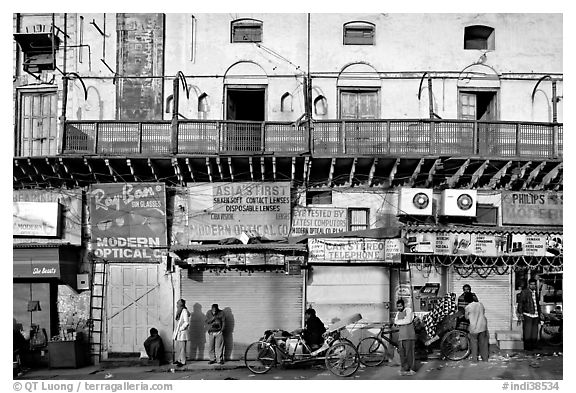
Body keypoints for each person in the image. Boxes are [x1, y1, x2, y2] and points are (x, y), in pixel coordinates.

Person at [517, 278, 542, 351]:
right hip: (528, 314)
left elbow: (537, 304)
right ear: (529, 285)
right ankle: (527, 346)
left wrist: (540, 313)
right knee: (528, 331)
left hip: (536, 314)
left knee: (535, 331)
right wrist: (520, 313)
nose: (533, 286)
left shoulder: (535, 292)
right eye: (531, 284)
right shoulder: (524, 292)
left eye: (534, 284)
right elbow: (520, 303)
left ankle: (534, 345)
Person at [394, 299, 417, 376]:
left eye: (400, 306)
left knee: (409, 353)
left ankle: (412, 369)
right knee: (402, 354)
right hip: (401, 336)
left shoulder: (408, 310)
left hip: (409, 335)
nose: (399, 307)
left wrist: (399, 321)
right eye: (398, 306)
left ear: (403, 305)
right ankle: (405, 368)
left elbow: (408, 320)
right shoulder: (398, 313)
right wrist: (399, 321)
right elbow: (395, 321)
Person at [464, 294, 489, 361]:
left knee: (474, 343)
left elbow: (466, 317)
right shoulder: (480, 304)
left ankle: (475, 359)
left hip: (474, 327)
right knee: (483, 343)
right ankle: (485, 358)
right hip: (482, 326)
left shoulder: (467, 307)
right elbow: (483, 312)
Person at [172, 299, 191, 367]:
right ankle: (179, 359)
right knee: (179, 348)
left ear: (181, 304)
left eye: (178, 303)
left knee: (182, 348)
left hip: (182, 332)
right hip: (179, 333)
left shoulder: (184, 311)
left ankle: (183, 361)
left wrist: (181, 329)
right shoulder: (179, 311)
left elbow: (186, 322)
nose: (177, 304)